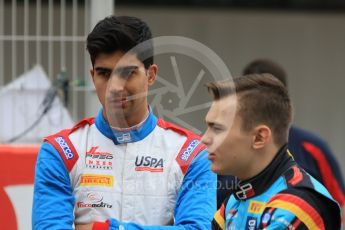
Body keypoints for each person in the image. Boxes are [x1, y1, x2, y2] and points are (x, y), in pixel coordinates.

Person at [32, 15, 216, 230]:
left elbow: (197, 228)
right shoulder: (62, 150)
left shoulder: (191, 153)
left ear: (151, 75)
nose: (115, 87)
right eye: (104, 73)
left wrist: (104, 228)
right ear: (93, 76)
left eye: (127, 73)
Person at [202, 74, 341, 229]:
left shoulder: (295, 206)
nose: (204, 138)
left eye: (217, 129)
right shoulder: (238, 198)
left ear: (259, 137)